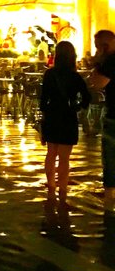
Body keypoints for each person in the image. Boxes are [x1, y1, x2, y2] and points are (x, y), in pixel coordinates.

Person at [40, 40, 90, 207]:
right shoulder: (75, 77)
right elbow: (87, 97)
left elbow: (42, 100)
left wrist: (45, 113)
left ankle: (51, 186)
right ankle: (63, 188)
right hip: (68, 116)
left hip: (52, 115)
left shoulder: (49, 74)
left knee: (51, 153)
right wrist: (76, 107)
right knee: (64, 158)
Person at [88, 30, 115, 199]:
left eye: (98, 47)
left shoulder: (111, 61)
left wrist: (97, 62)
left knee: (111, 160)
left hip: (114, 116)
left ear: (104, 46)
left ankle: (110, 202)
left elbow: (97, 83)